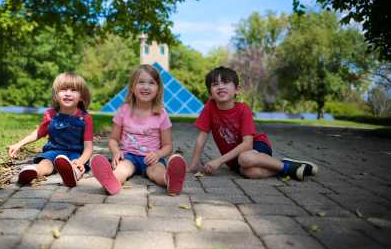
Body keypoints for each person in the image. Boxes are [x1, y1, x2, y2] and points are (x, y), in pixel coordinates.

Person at [188, 66, 318, 180]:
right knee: (250, 172)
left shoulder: (243, 109)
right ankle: (282, 165)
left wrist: (219, 161)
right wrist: (193, 165)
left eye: (226, 82)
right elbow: (202, 137)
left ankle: (288, 168)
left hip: (255, 146)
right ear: (210, 93)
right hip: (235, 159)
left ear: (237, 89)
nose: (221, 86)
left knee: (245, 158)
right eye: (215, 84)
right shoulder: (209, 108)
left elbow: (247, 144)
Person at [91, 64, 187, 195]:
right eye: (141, 82)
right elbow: (113, 139)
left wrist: (158, 155)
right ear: (132, 87)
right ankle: (111, 181)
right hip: (128, 156)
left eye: (151, 83)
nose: (146, 87)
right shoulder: (123, 110)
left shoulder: (161, 114)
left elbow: (168, 146)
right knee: (122, 169)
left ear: (158, 88)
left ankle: (170, 180)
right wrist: (116, 152)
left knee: (157, 171)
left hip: (151, 158)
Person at [8, 72, 94, 187]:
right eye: (63, 90)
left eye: (73, 90)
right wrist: (19, 144)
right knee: (45, 163)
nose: (68, 94)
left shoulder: (85, 118)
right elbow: (38, 133)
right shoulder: (51, 114)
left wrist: (81, 161)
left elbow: (88, 147)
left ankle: (72, 175)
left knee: (76, 167)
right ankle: (33, 171)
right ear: (56, 94)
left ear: (81, 96)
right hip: (53, 151)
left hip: (75, 155)